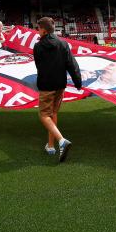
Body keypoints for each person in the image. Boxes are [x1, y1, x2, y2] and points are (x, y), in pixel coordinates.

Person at [34, 17, 82, 162]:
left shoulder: (38, 46)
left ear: (43, 30)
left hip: (46, 86)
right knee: (53, 113)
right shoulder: (63, 44)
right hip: (60, 85)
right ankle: (50, 145)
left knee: (43, 115)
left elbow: (39, 66)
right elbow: (72, 65)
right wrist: (78, 82)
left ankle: (61, 141)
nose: (37, 31)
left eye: (38, 28)